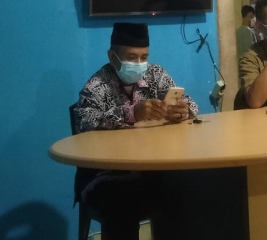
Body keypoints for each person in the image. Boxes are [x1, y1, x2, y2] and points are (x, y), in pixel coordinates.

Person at [72, 22, 199, 240]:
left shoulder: (155, 74)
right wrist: (131, 113)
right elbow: (83, 119)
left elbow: (191, 103)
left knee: (188, 188)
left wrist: (182, 111)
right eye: (131, 57)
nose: (139, 64)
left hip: (149, 168)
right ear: (112, 56)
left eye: (143, 57)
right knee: (121, 206)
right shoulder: (96, 85)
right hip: (105, 176)